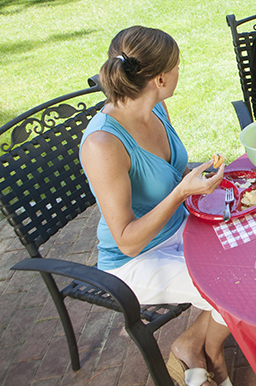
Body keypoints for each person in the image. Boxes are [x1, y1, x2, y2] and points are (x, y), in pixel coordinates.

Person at [80, 26, 233, 386]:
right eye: (178, 66)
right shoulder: (102, 144)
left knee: (251, 252)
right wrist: (182, 192)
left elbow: (169, 170)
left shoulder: (157, 106)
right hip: (135, 261)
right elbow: (127, 240)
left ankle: (191, 345)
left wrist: (200, 175)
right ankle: (211, 352)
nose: (181, 72)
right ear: (161, 77)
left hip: (179, 228)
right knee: (235, 285)